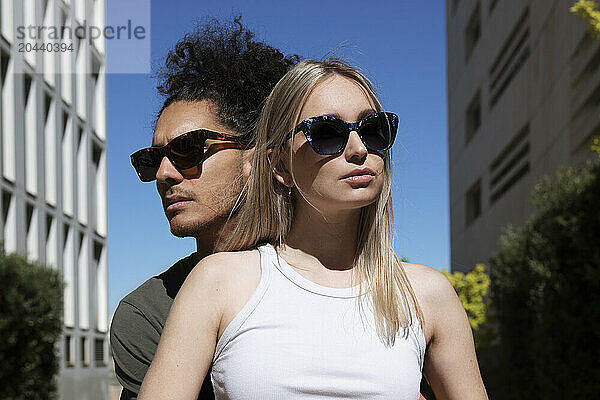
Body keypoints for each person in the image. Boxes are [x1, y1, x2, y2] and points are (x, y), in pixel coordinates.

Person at [137, 59, 489, 399]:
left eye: (373, 129)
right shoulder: (218, 281)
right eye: (327, 133)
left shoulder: (427, 295)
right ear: (280, 166)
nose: (358, 148)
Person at [110, 17, 298, 399]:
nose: (164, 173)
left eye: (188, 149)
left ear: (260, 158)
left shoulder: (349, 278)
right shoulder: (148, 314)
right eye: (152, 159)